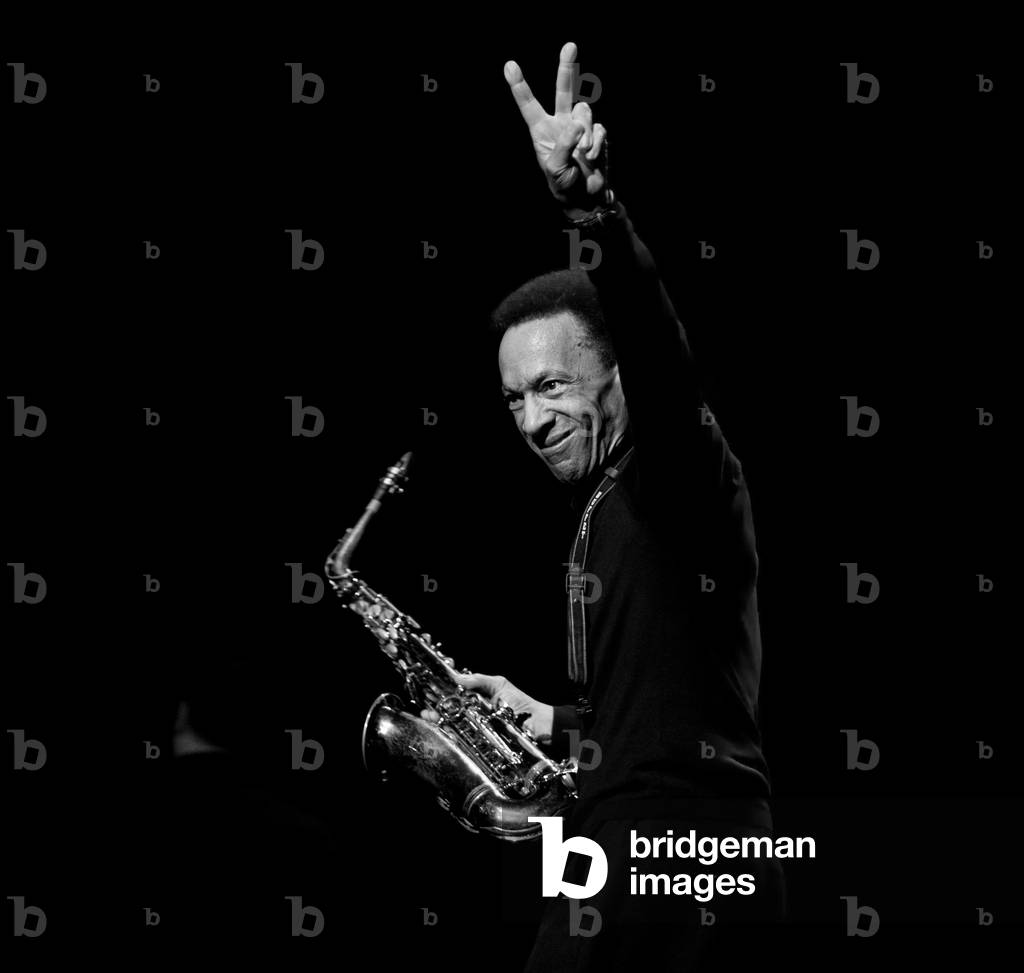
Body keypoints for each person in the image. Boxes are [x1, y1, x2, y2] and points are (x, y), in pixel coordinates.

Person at [423, 42, 786, 969]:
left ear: (616, 376)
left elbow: (662, 352)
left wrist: (596, 213)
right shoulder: (610, 500)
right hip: (630, 836)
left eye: (552, 386)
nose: (532, 420)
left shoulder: (677, 471)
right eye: (514, 399)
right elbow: (664, 719)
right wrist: (546, 716)